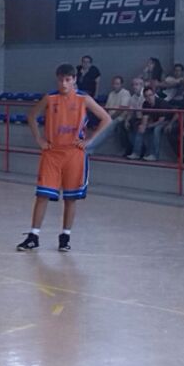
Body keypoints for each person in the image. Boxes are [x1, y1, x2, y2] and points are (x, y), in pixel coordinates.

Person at [17, 64, 111, 252]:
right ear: (57, 79)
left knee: (70, 198)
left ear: (74, 79)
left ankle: (65, 236)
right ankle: (34, 235)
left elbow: (106, 119)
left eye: (68, 80)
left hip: (74, 153)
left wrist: (90, 140)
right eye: (61, 79)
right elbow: (32, 116)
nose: (64, 83)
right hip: (52, 152)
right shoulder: (50, 98)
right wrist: (39, 139)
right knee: (42, 195)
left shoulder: (83, 99)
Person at [98, 75, 135, 156]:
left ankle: (126, 149)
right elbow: (107, 108)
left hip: (120, 118)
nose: (115, 85)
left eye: (117, 84)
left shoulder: (125, 93)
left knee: (116, 126)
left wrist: (110, 118)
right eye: (114, 83)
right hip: (109, 118)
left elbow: (122, 109)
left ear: (121, 84)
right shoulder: (111, 94)